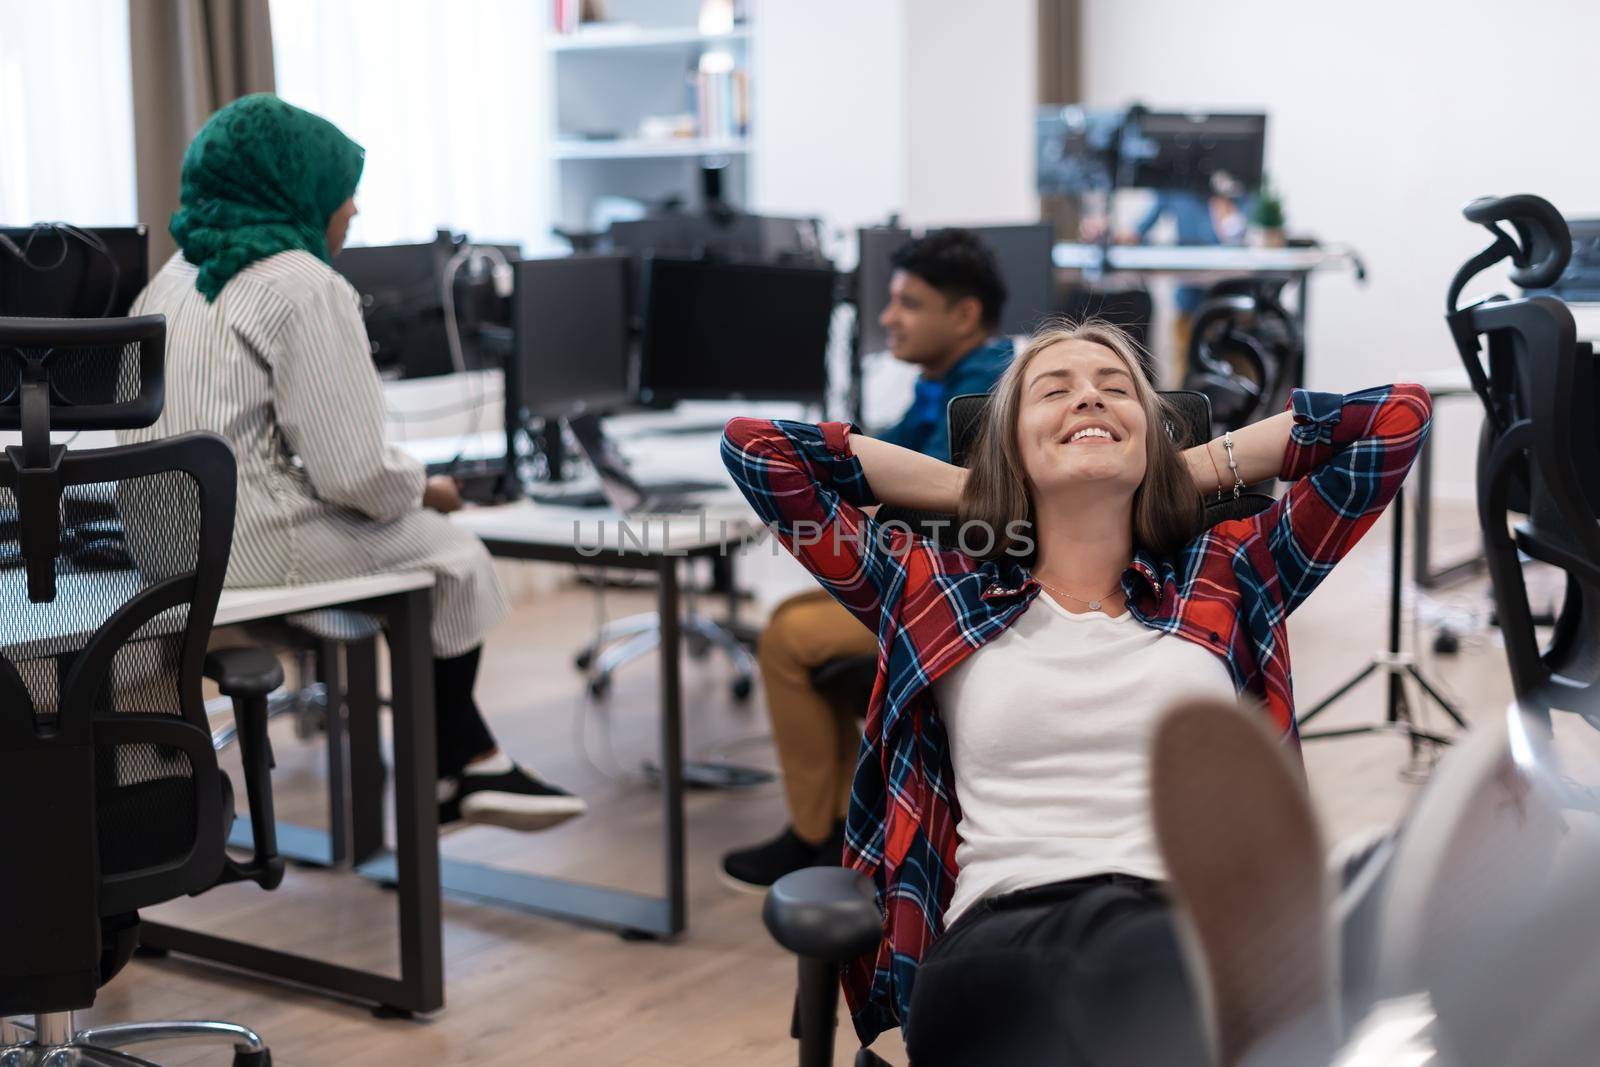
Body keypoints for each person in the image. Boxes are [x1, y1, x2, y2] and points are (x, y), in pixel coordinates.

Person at [721, 320, 1430, 1063]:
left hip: (1181, 928)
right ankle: (1352, 916)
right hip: (1002, 941)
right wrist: (985, 488)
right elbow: (757, 450)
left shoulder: (1229, 571)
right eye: (1054, 392)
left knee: (1166, 981)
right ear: (1009, 443)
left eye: (1116, 390)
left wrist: (1174, 472)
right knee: (1157, 971)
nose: (1089, 398)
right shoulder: (934, 584)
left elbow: (1395, 418)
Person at [120, 94, 585, 832]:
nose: (354, 207)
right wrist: (423, 490)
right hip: (250, 544)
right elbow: (353, 473)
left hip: (158, 544)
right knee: (453, 555)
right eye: (343, 187)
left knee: (406, 544)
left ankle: (463, 761)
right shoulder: (303, 284)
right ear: (293, 187)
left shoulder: (169, 277)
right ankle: (455, 769)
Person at [719, 229, 1013, 891]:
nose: (887, 318)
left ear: (963, 315)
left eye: (907, 303)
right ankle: (854, 826)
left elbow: (914, 492)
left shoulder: (982, 396)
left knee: (788, 639)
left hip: (966, 597)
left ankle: (817, 835)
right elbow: (886, 465)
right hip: (936, 579)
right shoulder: (946, 382)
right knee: (795, 617)